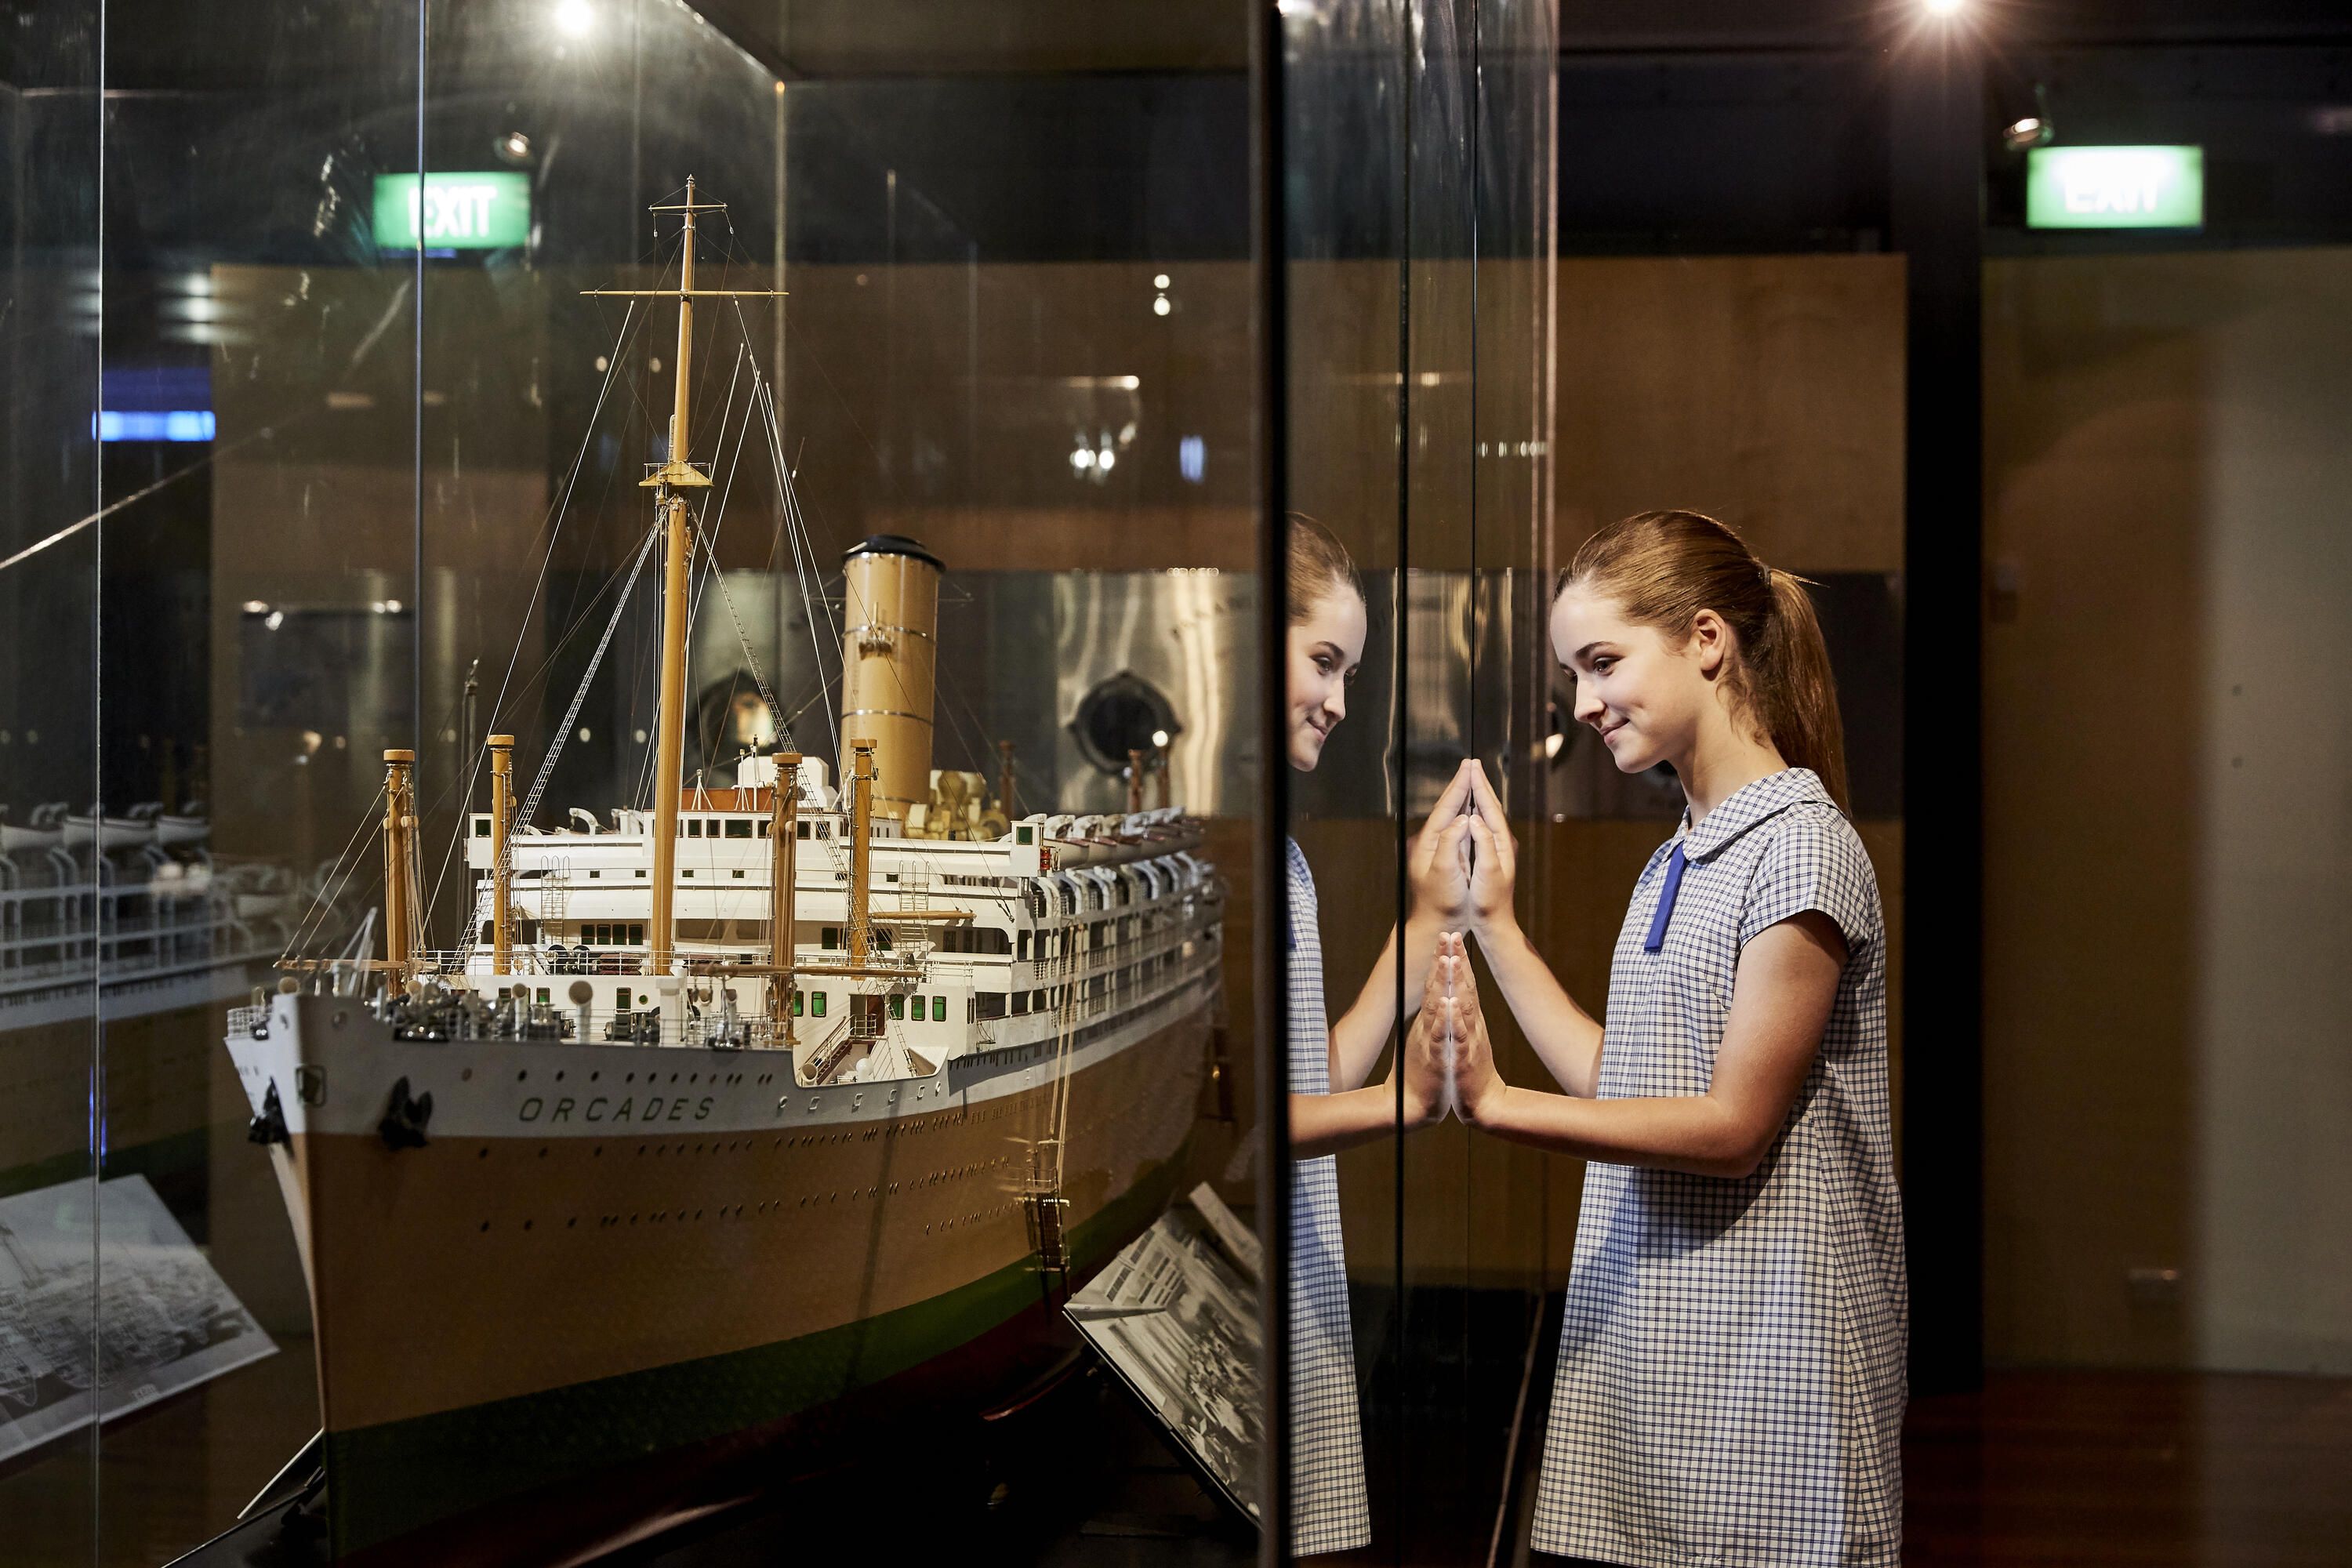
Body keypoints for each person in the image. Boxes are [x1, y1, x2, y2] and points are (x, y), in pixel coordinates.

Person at [1427, 510, 1906, 1568]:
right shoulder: (1684, 854)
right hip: (1670, 1355)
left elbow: (1731, 1128)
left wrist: (1497, 1103)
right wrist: (1493, 925)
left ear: (1704, 640)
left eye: (1603, 663)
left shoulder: (1802, 851)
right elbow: (1633, 1083)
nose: (1585, 703)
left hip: (1770, 1371)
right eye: (1574, 674)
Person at [1277, 511, 1470, 1555]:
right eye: (1324, 661)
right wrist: (1404, 1101)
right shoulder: (1246, 853)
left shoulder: (1290, 858)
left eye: (1351, 670)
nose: (1343, 702)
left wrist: (1434, 918)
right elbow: (1260, 1123)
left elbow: (1317, 1073)